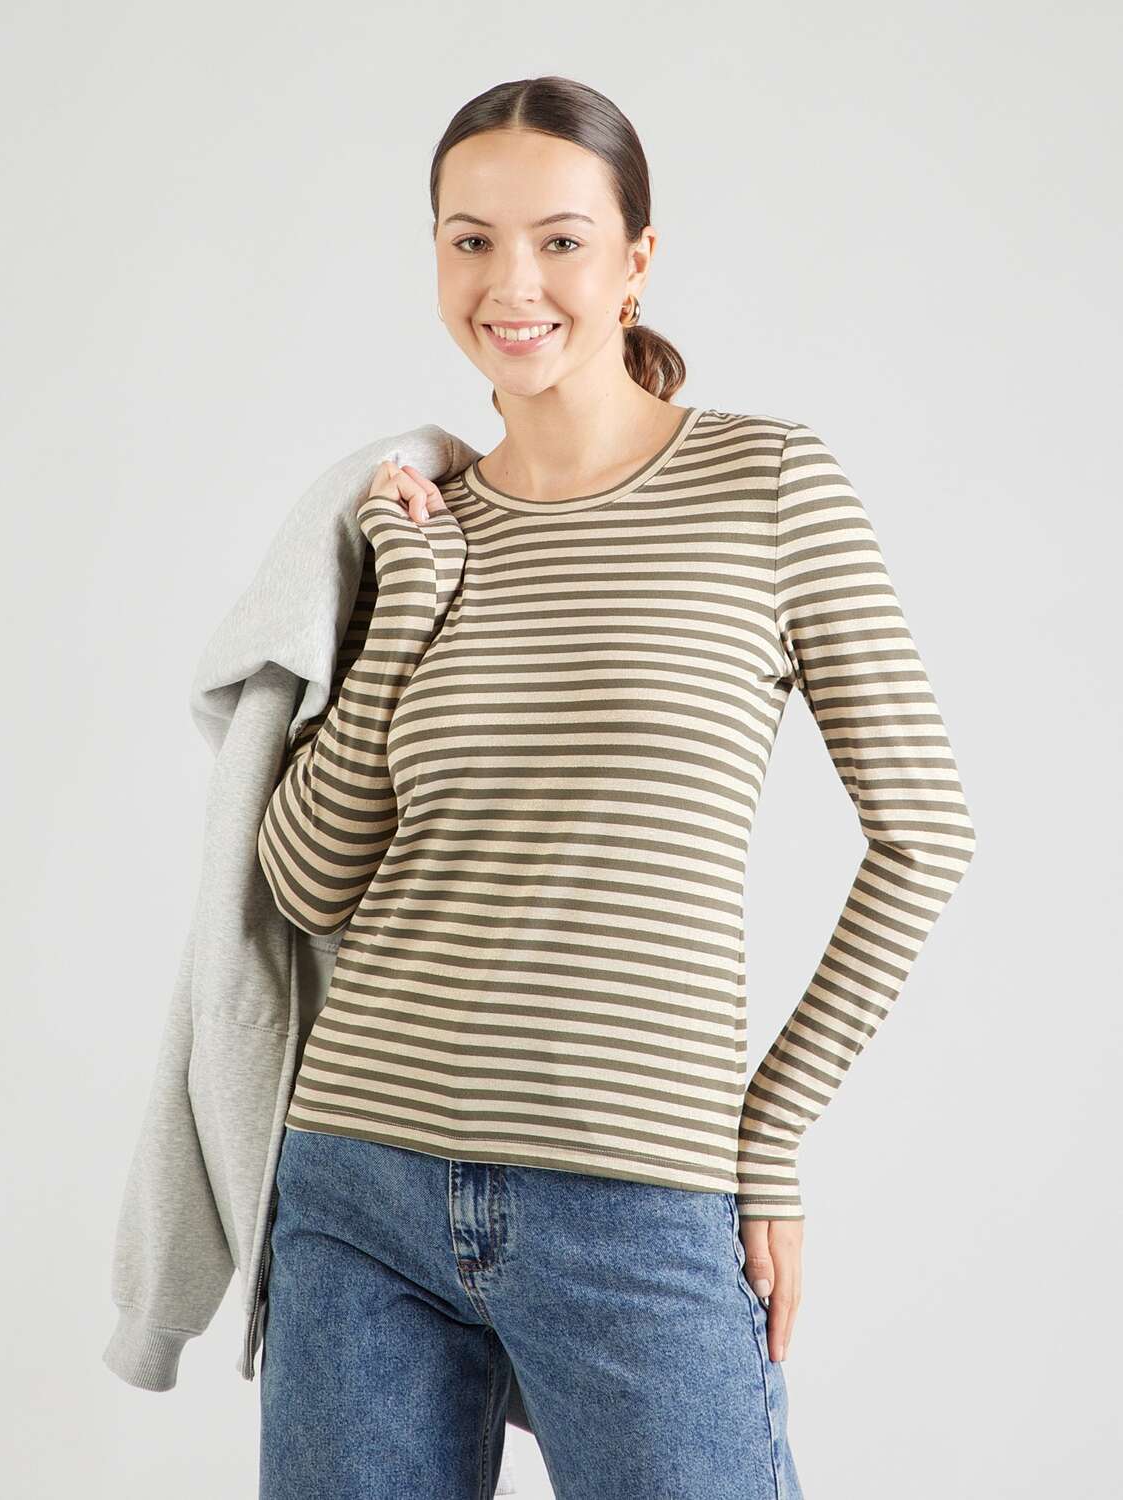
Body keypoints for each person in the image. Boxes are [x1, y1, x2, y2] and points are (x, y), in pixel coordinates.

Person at [254, 75, 976, 1500]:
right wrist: (405, 607)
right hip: (358, 1182)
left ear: (636, 260)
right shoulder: (410, 521)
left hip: (635, 1197)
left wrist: (768, 1132)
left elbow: (923, 834)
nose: (511, 283)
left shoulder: (768, 484)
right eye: (470, 241)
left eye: (561, 241)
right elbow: (308, 880)